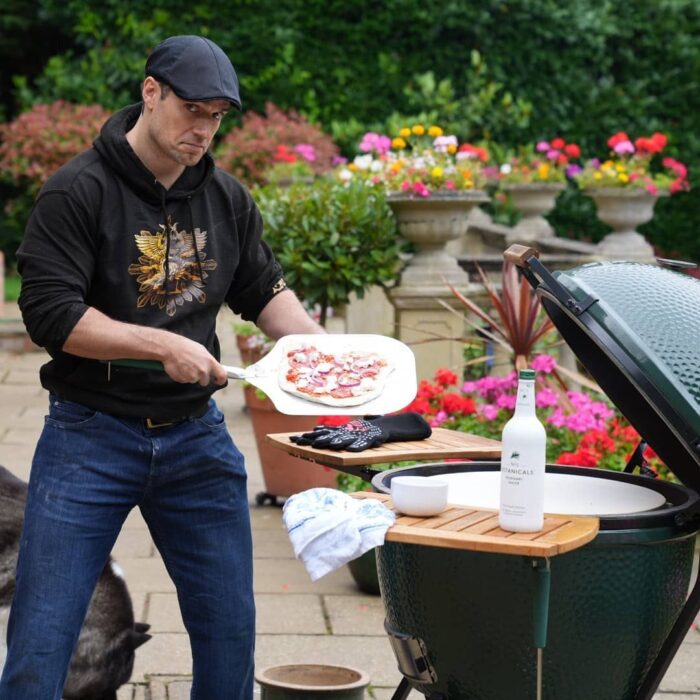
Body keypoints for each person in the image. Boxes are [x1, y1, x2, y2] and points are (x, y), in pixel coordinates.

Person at [0, 35, 323, 700]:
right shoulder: (75, 192)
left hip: (193, 439)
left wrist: (329, 352)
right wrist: (162, 346)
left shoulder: (227, 198)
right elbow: (53, 318)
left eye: (216, 117)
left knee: (229, 627)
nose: (202, 129)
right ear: (151, 93)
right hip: (89, 435)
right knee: (41, 635)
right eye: (191, 110)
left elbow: (262, 293)